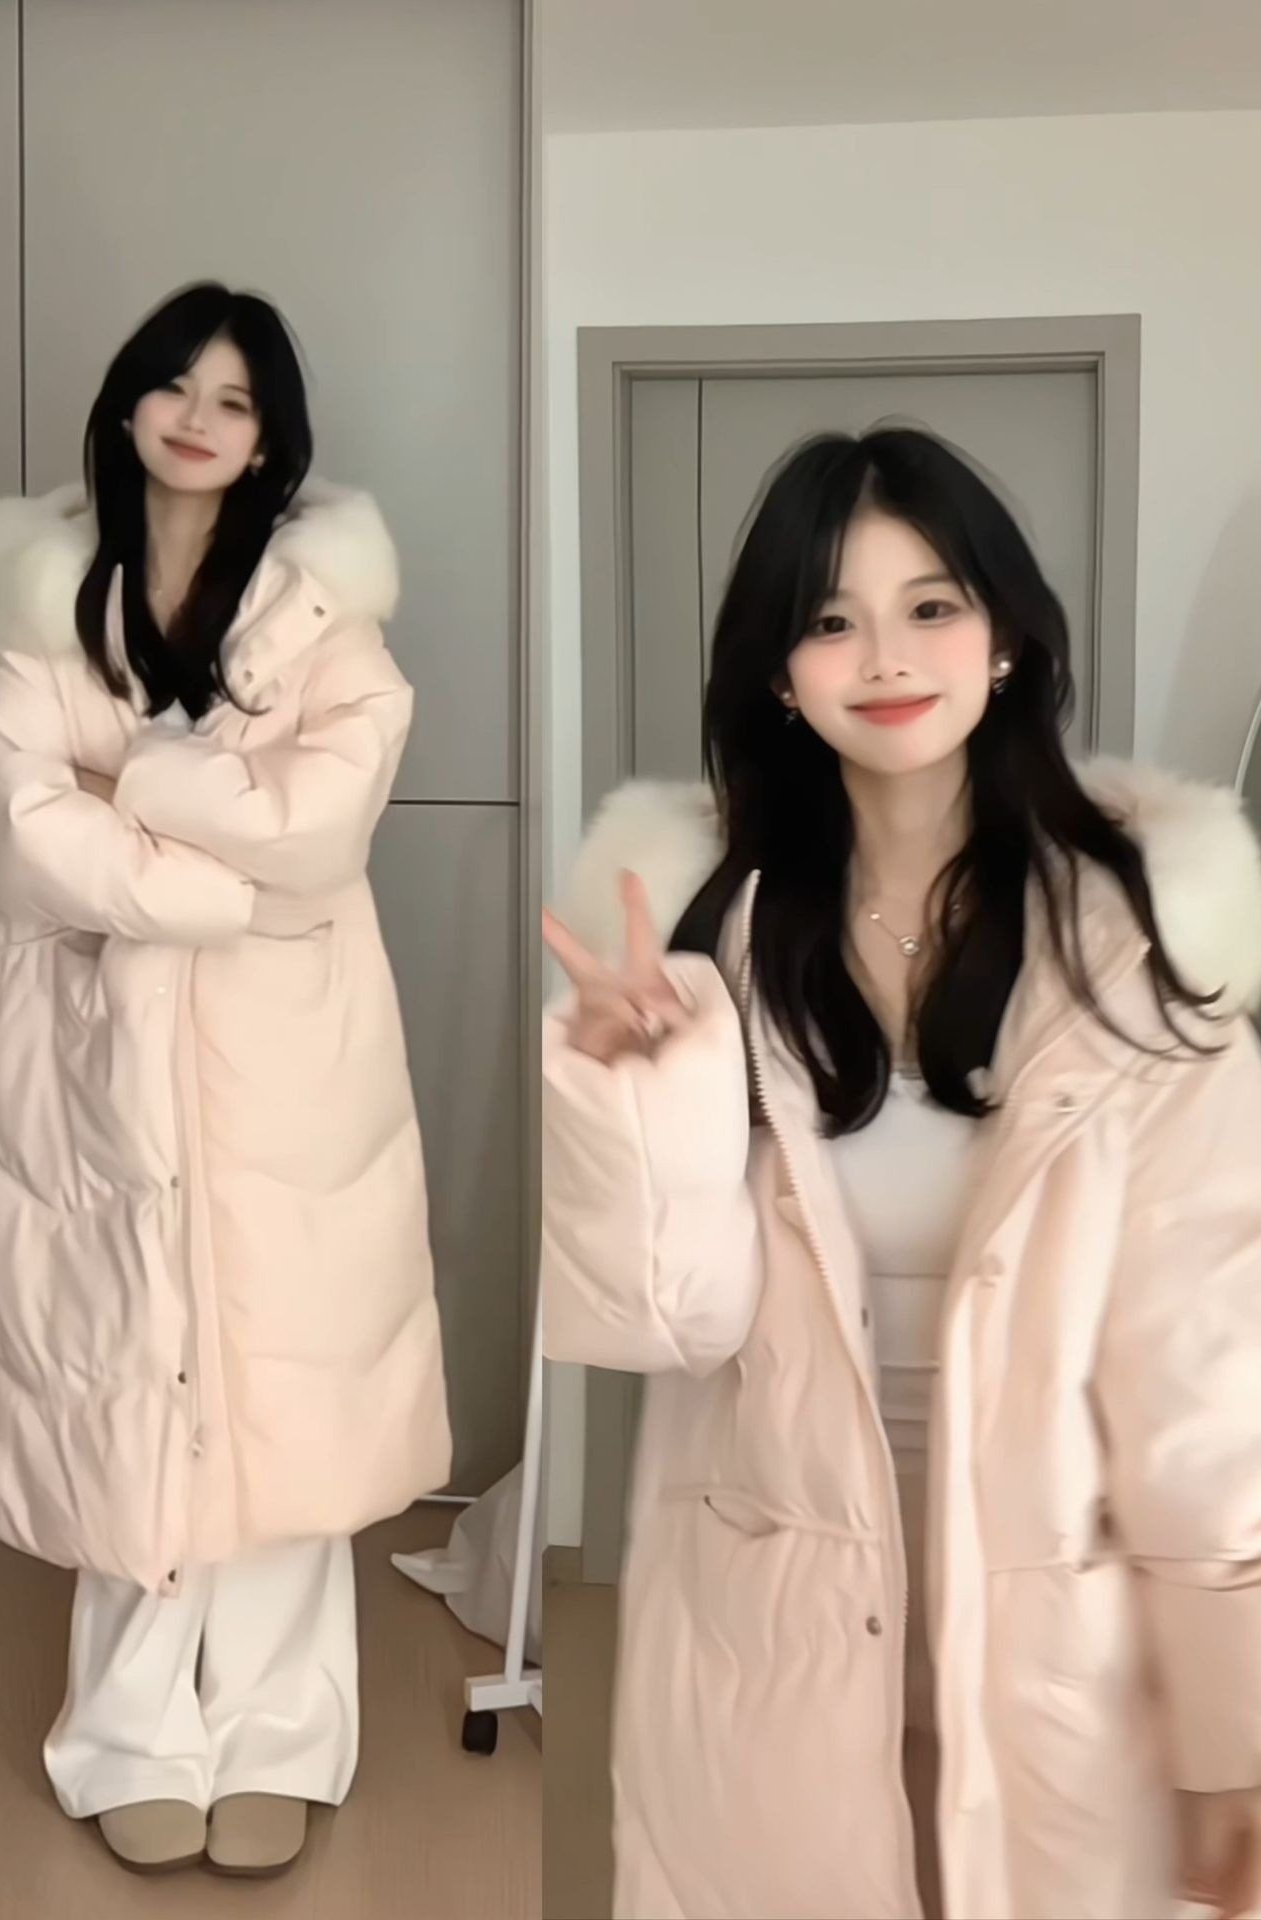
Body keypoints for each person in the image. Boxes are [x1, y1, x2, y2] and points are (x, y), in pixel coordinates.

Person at [541, 428, 1261, 1920]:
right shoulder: (702, 938)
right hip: (774, 1607)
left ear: (1005, 641)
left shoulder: (1143, 948)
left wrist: (1236, 1722)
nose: (883, 656)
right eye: (831, 618)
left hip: (1067, 1611)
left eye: (930, 605)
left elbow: (1207, 1367)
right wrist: (635, 1097)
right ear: (780, 675)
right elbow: (662, 1326)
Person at [0, 282, 451, 1878]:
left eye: (234, 399)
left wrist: (141, 780)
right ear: (128, 402)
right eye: (175, 384)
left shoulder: (326, 616)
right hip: (90, 1055)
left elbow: (324, 826)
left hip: (282, 1056)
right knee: (128, 1372)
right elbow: (17, 823)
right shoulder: (40, 600)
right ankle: (132, 1732)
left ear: (269, 438)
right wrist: (221, 870)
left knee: (277, 1377)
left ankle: (281, 1732)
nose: (197, 417)